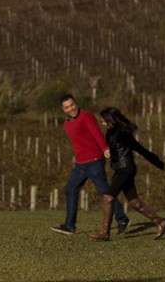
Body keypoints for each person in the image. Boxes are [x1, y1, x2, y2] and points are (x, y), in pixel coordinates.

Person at [51, 94, 129, 236]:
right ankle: (69, 226)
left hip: (94, 161)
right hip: (80, 163)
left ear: (76, 103)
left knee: (104, 191)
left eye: (72, 105)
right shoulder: (67, 123)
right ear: (63, 109)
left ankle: (122, 219)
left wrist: (105, 148)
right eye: (67, 107)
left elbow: (96, 133)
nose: (71, 109)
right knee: (70, 189)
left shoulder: (86, 116)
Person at [89, 106, 165, 241]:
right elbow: (115, 149)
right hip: (121, 169)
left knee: (108, 198)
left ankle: (104, 233)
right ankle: (160, 222)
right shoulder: (112, 132)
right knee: (134, 202)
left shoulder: (123, 133)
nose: (102, 123)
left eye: (104, 121)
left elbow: (140, 149)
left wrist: (158, 163)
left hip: (125, 169)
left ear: (110, 120)